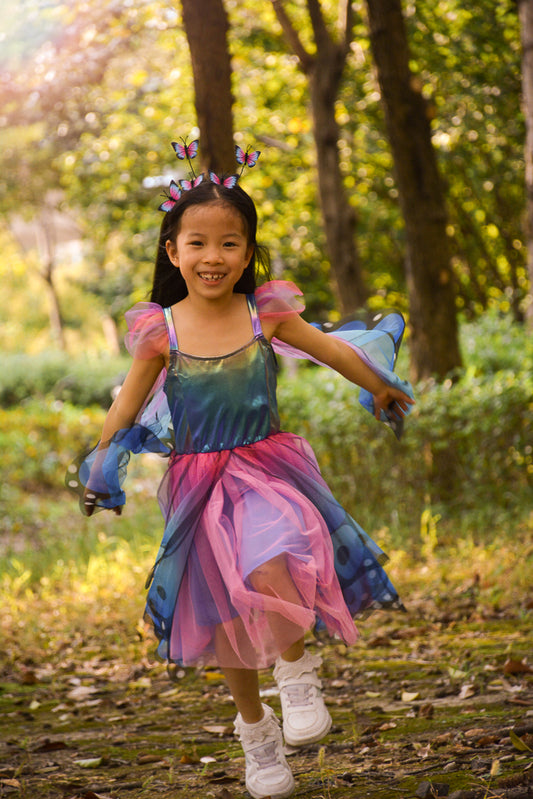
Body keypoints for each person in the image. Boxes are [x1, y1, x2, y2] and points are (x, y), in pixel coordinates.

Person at [67, 142, 414, 799]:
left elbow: (332, 349)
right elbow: (127, 403)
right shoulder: (159, 330)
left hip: (267, 466)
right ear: (173, 251)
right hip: (196, 483)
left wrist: (381, 384)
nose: (213, 257)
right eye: (197, 242)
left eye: (230, 243)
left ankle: (297, 670)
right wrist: (102, 459)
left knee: (272, 555)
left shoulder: (266, 313)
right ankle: (256, 732)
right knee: (224, 613)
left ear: (247, 254)